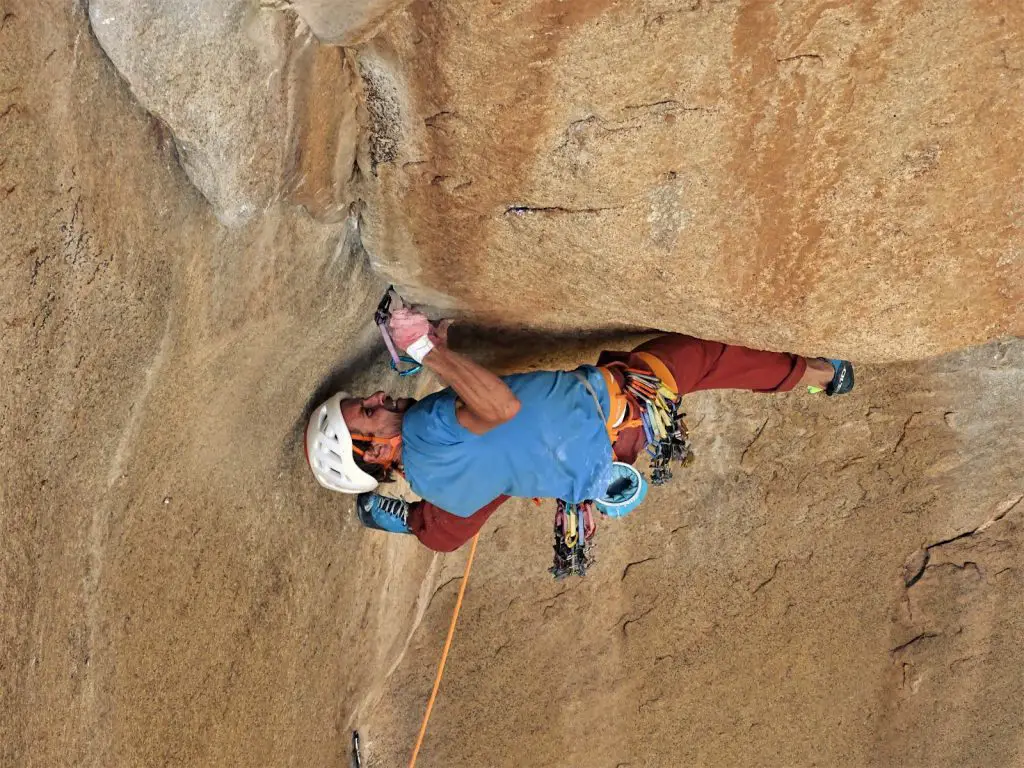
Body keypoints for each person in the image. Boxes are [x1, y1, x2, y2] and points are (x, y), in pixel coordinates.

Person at [304, 307, 854, 552]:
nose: (377, 396)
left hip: (597, 463)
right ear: (375, 453)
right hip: (622, 408)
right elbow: (499, 408)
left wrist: (447, 356)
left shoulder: (436, 485)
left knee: (465, 510)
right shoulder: (424, 425)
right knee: (708, 359)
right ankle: (824, 376)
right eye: (368, 412)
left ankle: (405, 523)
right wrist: (428, 350)